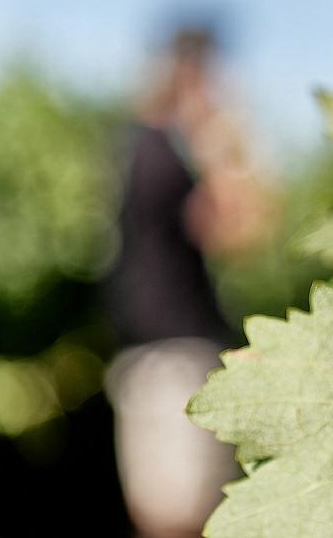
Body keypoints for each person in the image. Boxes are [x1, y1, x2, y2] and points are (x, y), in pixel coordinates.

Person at [103, 28, 274, 538]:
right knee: (178, 517)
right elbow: (240, 229)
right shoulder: (169, 150)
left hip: (155, 352)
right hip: (170, 353)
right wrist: (223, 137)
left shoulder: (136, 145)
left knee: (171, 514)